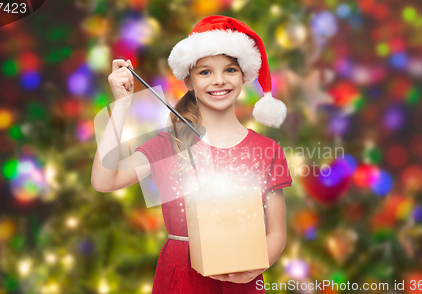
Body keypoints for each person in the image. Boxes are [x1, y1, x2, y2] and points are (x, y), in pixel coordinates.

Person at [91, 15, 293, 293]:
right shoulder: (169, 144)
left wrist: (256, 266)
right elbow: (104, 180)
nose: (219, 81)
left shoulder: (267, 150)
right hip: (181, 279)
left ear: (244, 75)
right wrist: (122, 104)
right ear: (188, 80)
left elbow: (276, 231)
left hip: (244, 277)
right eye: (205, 72)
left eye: (230, 70)